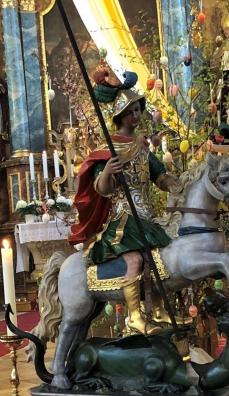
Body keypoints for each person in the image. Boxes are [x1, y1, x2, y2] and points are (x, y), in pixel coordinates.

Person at [69, 72, 182, 334]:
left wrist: (173, 183)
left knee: (158, 258)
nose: (136, 115)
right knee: (133, 259)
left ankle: (159, 310)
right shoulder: (107, 149)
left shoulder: (141, 145)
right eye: (130, 111)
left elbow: (158, 175)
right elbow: (102, 189)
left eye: (138, 109)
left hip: (146, 215)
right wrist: (108, 171)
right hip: (122, 217)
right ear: (119, 116)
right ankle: (134, 316)